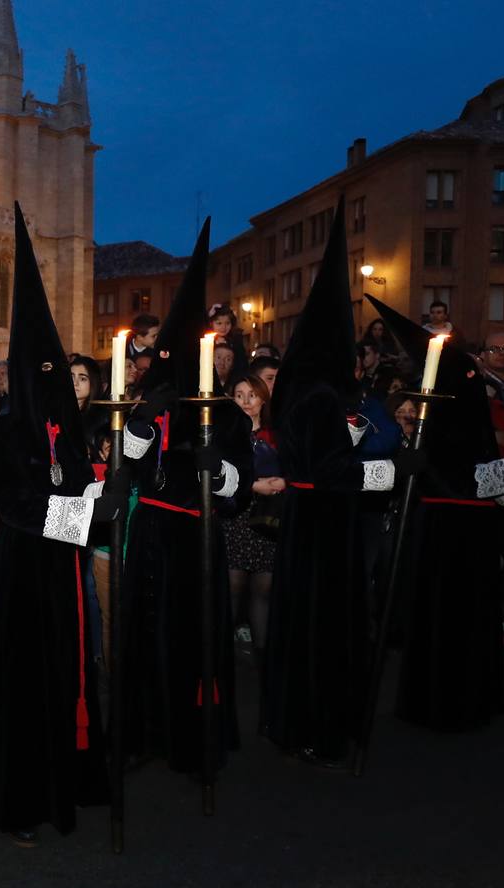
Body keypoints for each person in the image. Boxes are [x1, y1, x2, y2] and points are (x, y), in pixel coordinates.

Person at [0, 206, 131, 844]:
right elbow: (18, 509)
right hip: (20, 578)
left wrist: (107, 491)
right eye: (46, 375)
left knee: (72, 673)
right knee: (23, 683)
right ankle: (21, 797)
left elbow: (82, 487)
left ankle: (76, 777)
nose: (55, 384)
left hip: (64, 575)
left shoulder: (70, 435)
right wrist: (91, 511)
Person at [263, 198, 408, 767]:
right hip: (324, 525)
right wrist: (391, 472)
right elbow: (330, 471)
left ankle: (299, 717)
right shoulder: (322, 399)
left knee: (302, 621)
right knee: (323, 626)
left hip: (310, 524)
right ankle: (319, 722)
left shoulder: (302, 394)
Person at [122, 221, 251, 776]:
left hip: (198, 541)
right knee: (146, 636)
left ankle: (193, 737)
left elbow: (239, 487)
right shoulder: (152, 407)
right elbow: (130, 465)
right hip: (152, 536)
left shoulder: (225, 415)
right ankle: (144, 731)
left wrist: (214, 469)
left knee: (192, 638)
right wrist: (144, 424)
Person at [369, 297, 504, 733]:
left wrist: (429, 467)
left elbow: (480, 475)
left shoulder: (461, 399)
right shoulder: (442, 409)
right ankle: (446, 697)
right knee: (439, 613)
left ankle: (451, 697)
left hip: (459, 528)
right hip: (440, 526)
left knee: (453, 614)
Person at [221, 374, 283, 659]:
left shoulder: (277, 433)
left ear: (263, 399)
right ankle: (222, 656)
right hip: (234, 516)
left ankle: (263, 656)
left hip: (269, 517)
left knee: (264, 587)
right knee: (232, 585)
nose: (246, 401)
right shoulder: (224, 435)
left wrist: (285, 481)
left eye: (252, 395)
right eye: (239, 395)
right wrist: (252, 484)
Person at [208, 303, 248, 382]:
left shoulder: (236, 341)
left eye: (227, 323)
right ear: (211, 323)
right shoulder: (206, 340)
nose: (223, 327)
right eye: (219, 323)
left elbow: (242, 364)